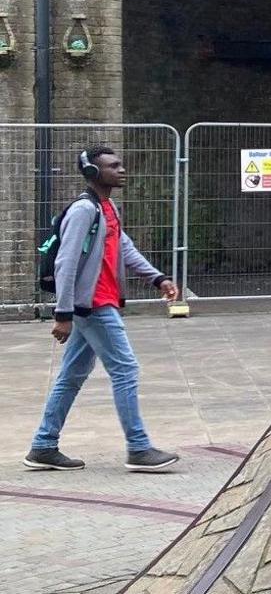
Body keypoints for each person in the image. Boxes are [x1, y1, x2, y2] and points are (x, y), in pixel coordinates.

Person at [24, 145, 182, 472]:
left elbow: (125, 248)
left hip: (97, 302)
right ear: (94, 173)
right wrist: (63, 314)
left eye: (120, 164)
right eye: (113, 166)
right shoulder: (85, 210)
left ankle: (43, 445)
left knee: (71, 375)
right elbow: (66, 263)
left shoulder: (107, 207)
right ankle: (138, 448)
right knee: (126, 369)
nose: (121, 170)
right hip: (93, 305)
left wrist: (158, 278)